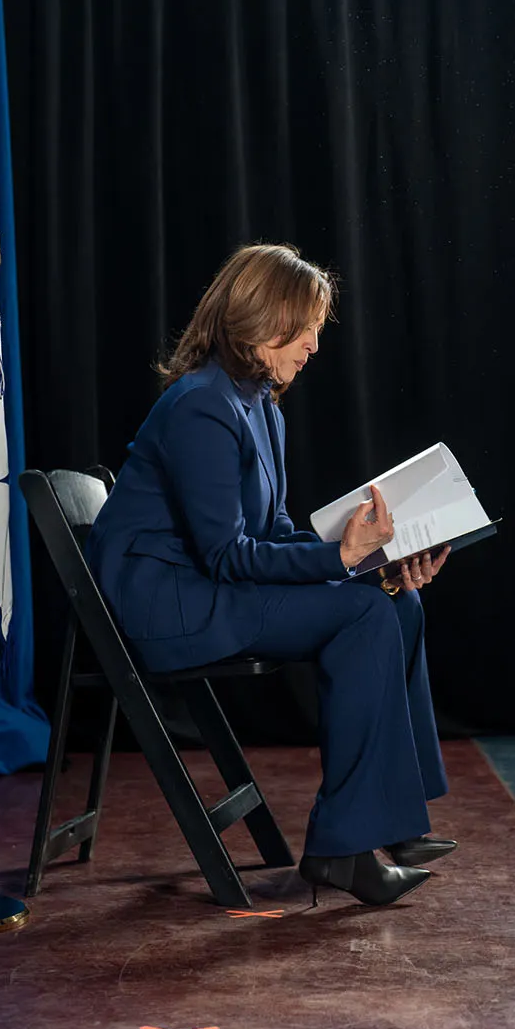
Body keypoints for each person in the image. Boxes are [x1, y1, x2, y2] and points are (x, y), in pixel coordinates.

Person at [85, 243, 455, 906]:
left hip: (215, 589)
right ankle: (343, 850)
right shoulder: (201, 405)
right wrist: (343, 561)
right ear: (262, 320)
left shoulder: (261, 406)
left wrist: (374, 564)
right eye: (306, 326)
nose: (315, 344)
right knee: (367, 614)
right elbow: (228, 554)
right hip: (174, 606)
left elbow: (275, 534)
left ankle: (392, 822)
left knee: (395, 603)